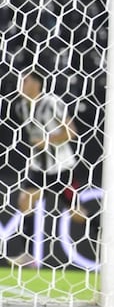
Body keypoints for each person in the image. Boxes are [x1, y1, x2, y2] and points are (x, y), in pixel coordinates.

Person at [6, 69, 88, 268]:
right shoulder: (20, 107)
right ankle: (29, 255)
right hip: (39, 168)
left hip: (62, 167)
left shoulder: (52, 103)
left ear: (36, 84)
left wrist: (47, 141)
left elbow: (71, 132)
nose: (20, 86)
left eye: (24, 82)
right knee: (25, 202)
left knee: (76, 214)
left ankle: (102, 233)